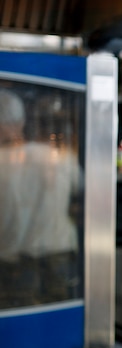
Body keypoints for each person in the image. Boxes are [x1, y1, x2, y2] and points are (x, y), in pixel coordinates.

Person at [0, 88, 82, 308]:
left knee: (19, 326)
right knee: (58, 323)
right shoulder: (57, 155)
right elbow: (81, 194)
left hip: (12, 263)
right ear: (20, 122)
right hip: (60, 254)